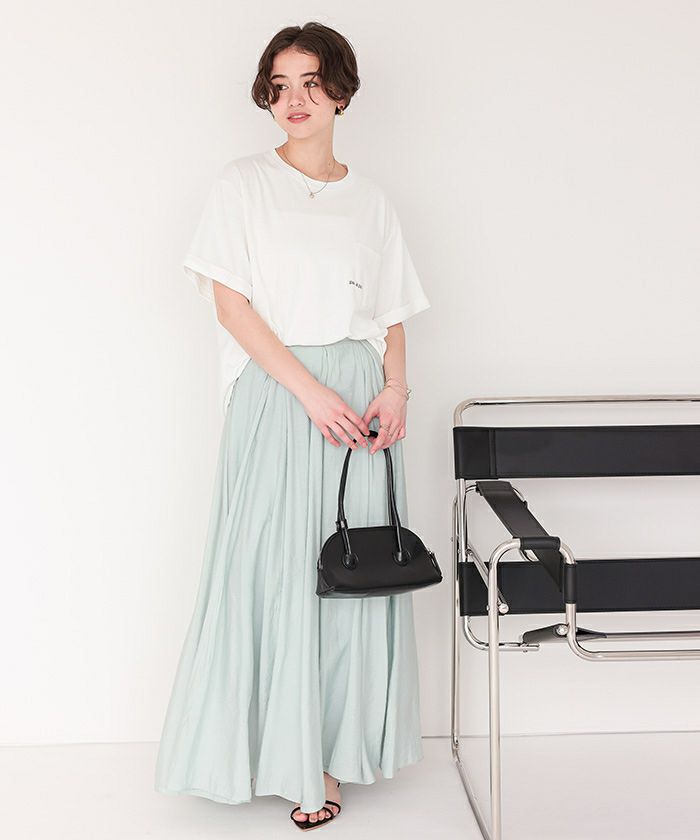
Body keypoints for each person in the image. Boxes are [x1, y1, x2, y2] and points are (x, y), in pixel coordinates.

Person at [154, 21, 431, 831]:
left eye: (311, 82)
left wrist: (396, 390)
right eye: (280, 86)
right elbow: (231, 304)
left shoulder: (370, 200)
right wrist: (310, 393)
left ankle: (331, 755)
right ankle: (277, 753)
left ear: (340, 90)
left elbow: (391, 312)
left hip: (360, 404)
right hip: (280, 398)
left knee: (349, 574)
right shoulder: (242, 183)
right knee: (272, 571)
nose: (294, 100)